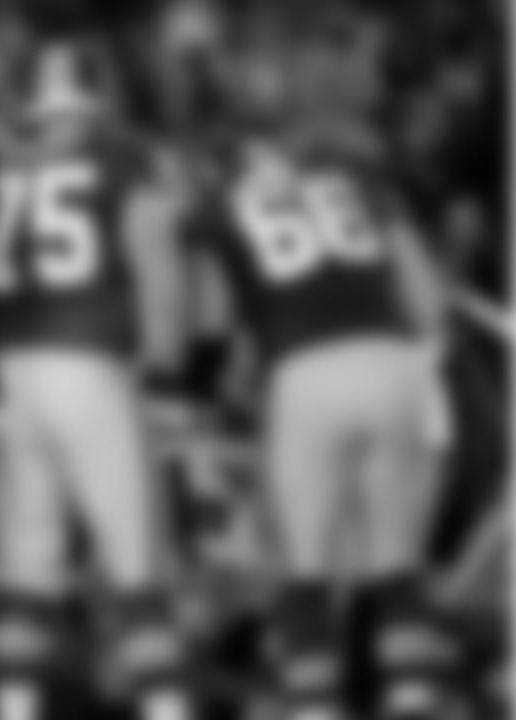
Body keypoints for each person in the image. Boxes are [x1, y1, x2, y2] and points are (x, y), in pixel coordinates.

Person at [183, 74, 453, 719]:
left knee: (305, 575)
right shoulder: (359, 186)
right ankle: (414, 699)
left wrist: (207, 390)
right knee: (397, 566)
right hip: (393, 365)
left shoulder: (216, 211)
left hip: (304, 375)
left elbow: (211, 324)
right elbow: (429, 302)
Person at [0, 41, 194, 720]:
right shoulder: (123, 158)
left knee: (24, 566)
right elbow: (156, 265)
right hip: (88, 363)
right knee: (138, 561)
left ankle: (13, 708)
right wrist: (169, 374)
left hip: (8, 372)